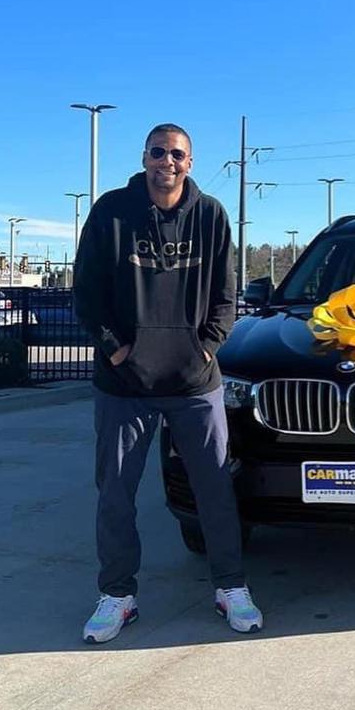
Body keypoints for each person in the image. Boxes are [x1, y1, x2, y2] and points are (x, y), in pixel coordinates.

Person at [74, 123, 262, 643]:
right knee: (115, 493)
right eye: (158, 152)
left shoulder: (211, 215)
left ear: (190, 161)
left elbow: (226, 294)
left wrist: (204, 346)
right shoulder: (111, 211)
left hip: (194, 383)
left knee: (215, 489)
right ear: (145, 157)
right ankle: (117, 595)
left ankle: (230, 586)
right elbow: (86, 293)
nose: (167, 162)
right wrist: (116, 349)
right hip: (123, 386)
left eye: (177, 154)